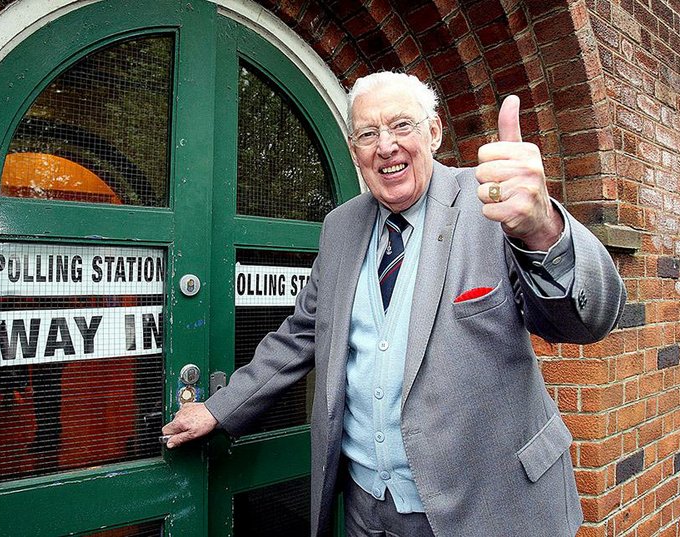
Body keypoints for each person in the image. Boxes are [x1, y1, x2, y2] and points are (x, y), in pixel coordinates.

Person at [163, 71, 626, 536]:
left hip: (491, 505)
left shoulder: (494, 204)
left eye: (402, 125)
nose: (386, 146)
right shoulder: (340, 227)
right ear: (354, 150)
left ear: (434, 131)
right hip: (368, 509)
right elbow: (302, 333)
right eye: (368, 134)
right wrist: (220, 408)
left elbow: (586, 321)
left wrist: (541, 228)